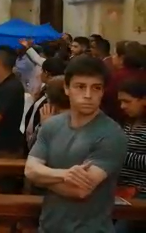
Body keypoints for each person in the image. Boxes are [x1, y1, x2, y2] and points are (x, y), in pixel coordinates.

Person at [24, 55, 127, 233]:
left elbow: (79, 190)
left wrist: (41, 178)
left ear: (103, 91)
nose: (88, 95)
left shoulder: (112, 134)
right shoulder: (52, 125)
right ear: (66, 88)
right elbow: (29, 170)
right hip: (48, 226)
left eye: (96, 88)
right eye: (80, 87)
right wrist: (65, 174)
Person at [115, 78, 146, 233]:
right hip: (120, 189)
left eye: (127, 101)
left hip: (142, 192)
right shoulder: (129, 123)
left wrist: (122, 155)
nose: (123, 106)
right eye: (121, 102)